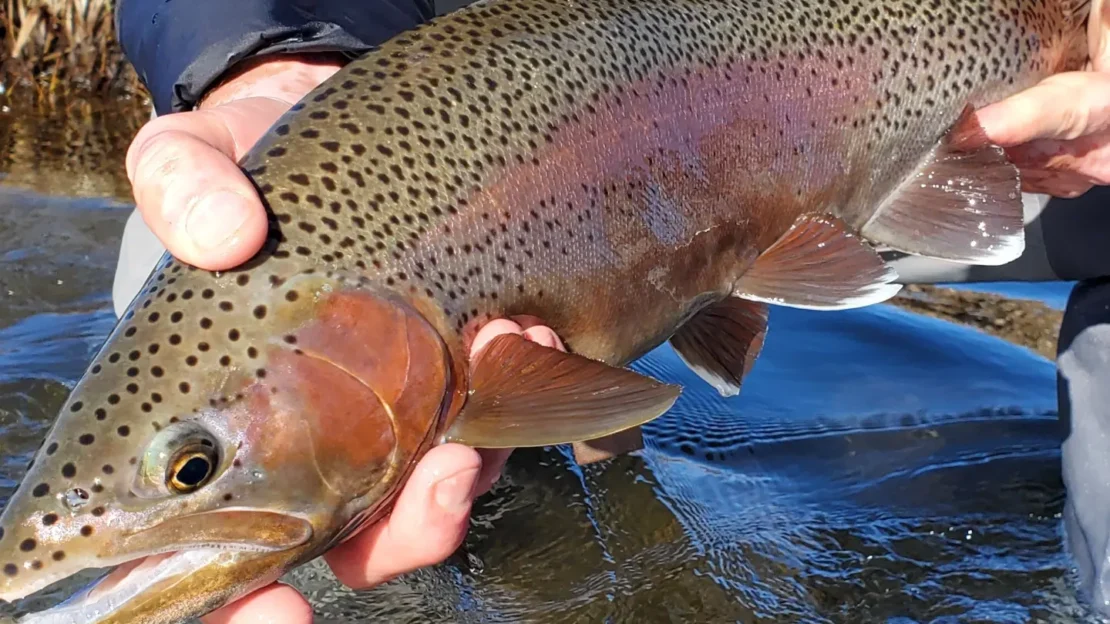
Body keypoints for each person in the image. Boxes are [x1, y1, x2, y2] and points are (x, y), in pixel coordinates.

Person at [110, 0, 1110, 621]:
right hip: (539, 115)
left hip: (971, 85)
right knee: (206, 253)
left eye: (192, 469)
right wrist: (267, 53)